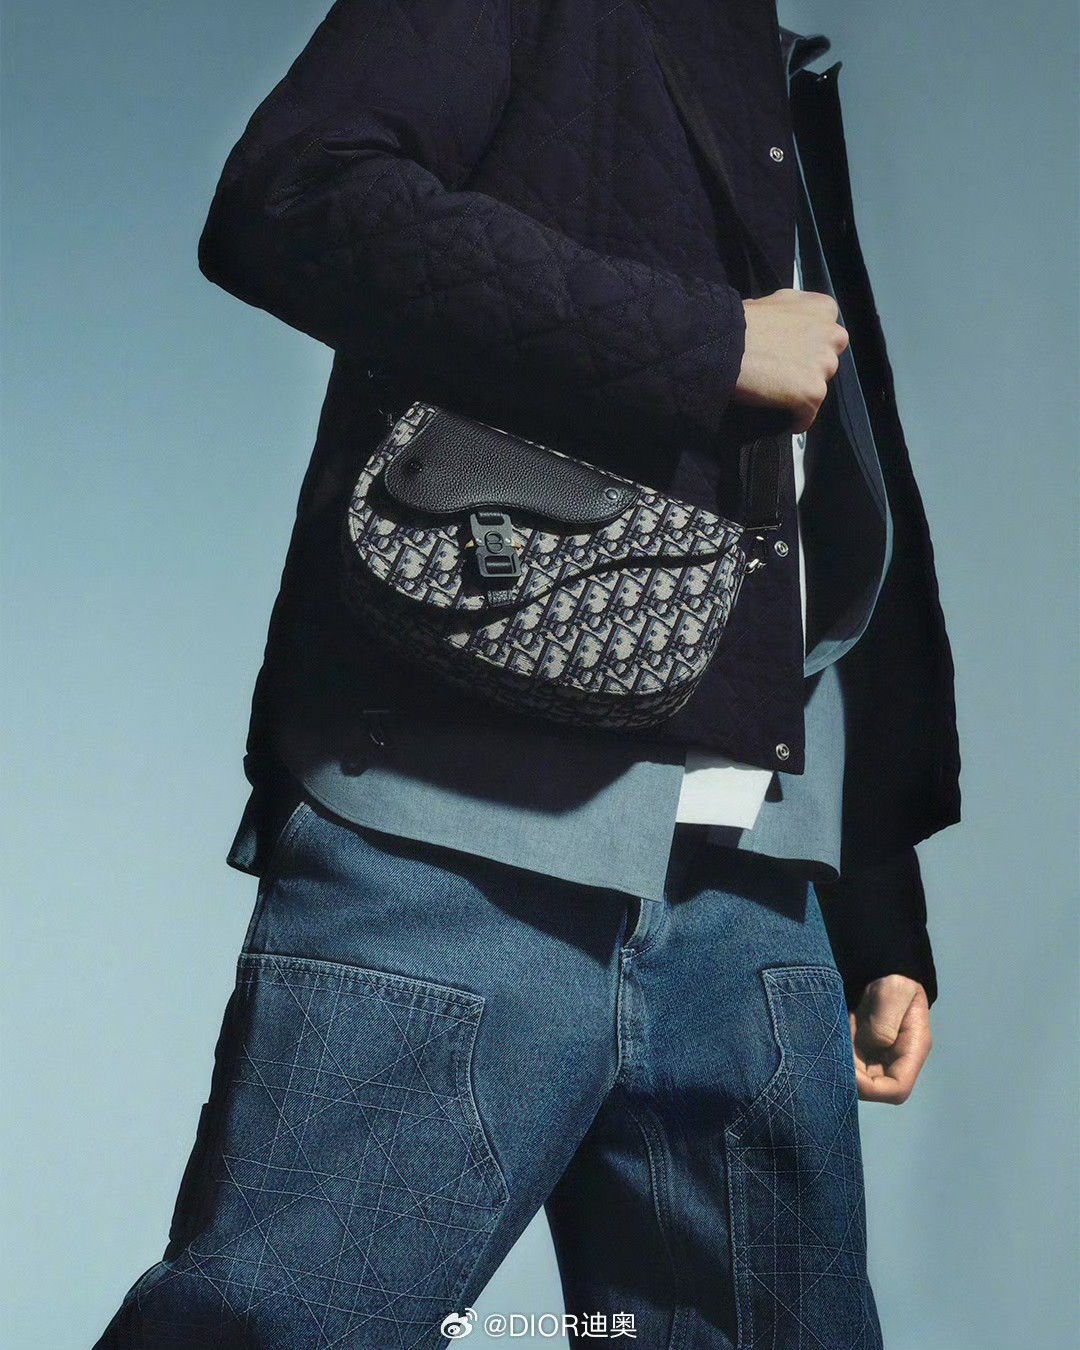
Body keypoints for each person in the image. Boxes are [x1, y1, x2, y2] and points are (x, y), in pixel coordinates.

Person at [93, 2, 961, 1346]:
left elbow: (830, 496)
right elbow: (293, 194)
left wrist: (877, 905)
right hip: (459, 842)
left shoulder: (775, 65)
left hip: (756, 900)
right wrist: (706, 343)